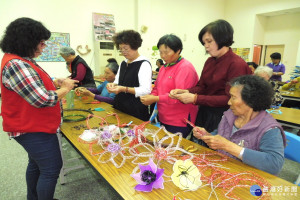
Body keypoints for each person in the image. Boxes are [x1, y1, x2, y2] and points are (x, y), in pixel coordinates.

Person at [0, 17, 78, 200]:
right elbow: (42, 99)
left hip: (31, 125)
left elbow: (33, 85)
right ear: (27, 41)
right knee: (51, 169)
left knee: (36, 164)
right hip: (32, 128)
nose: (44, 47)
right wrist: (64, 89)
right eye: (41, 43)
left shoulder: (21, 60)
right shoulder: (16, 64)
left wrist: (53, 82)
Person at [170, 19, 252, 136]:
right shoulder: (210, 61)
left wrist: (195, 99)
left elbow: (230, 99)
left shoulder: (236, 64)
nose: (206, 46)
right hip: (205, 113)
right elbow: (202, 86)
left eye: (209, 41)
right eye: (204, 43)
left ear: (222, 39)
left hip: (224, 116)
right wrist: (186, 91)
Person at [193, 75, 286, 175]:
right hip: (223, 169)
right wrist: (208, 136)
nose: (229, 102)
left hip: (248, 178)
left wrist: (228, 146)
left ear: (250, 101)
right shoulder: (229, 115)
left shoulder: (269, 129)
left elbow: (274, 164)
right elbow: (220, 133)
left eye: (233, 97)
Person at [140, 34, 199, 138]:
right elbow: (157, 88)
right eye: (161, 52)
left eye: (166, 52)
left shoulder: (185, 68)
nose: (162, 56)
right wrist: (151, 97)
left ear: (178, 51)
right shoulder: (164, 67)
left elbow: (179, 96)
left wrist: (155, 98)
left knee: (173, 149)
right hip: (164, 116)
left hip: (179, 120)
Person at [107, 30, 152, 121]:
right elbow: (117, 82)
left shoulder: (144, 64)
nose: (123, 51)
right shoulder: (123, 63)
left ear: (135, 46)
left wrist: (124, 89)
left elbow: (145, 90)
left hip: (135, 110)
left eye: (126, 48)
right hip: (120, 106)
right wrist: (112, 85)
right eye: (121, 49)